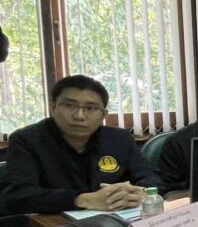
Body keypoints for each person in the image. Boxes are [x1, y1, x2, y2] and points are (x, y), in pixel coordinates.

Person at [1, 75, 160, 214]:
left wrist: (141, 192)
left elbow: (150, 177)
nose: (79, 116)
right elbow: (17, 196)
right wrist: (82, 200)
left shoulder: (119, 139)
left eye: (90, 108)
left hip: (116, 221)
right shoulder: (26, 140)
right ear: (53, 107)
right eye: (70, 106)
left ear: (103, 114)